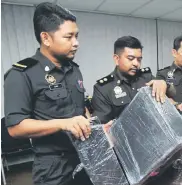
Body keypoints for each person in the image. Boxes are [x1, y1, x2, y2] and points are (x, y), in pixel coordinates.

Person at [4, 2, 94, 185]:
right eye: (69, 37)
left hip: (84, 160)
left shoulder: (74, 70)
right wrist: (63, 124)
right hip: (53, 170)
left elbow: (80, 109)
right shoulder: (22, 74)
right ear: (46, 38)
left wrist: (95, 127)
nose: (76, 43)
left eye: (77, 36)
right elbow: (15, 127)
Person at [91, 36, 170, 124]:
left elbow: (165, 106)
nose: (136, 64)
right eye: (130, 59)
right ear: (117, 59)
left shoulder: (147, 78)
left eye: (139, 59)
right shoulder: (103, 88)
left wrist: (163, 83)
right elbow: (101, 126)